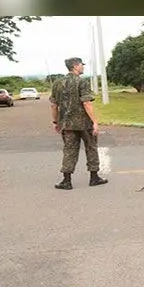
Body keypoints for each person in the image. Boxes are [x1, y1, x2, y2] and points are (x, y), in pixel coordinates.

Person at [49, 57, 107, 190]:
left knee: (69, 150)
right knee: (91, 147)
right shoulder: (82, 82)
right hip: (84, 123)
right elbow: (86, 103)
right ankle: (94, 177)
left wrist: (55, 121)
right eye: (82, 65)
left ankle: (66, 180)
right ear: (75, 66)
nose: (83, 67)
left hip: (66, 124)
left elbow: (53, 105)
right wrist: (95, 122)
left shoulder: (57, 83)